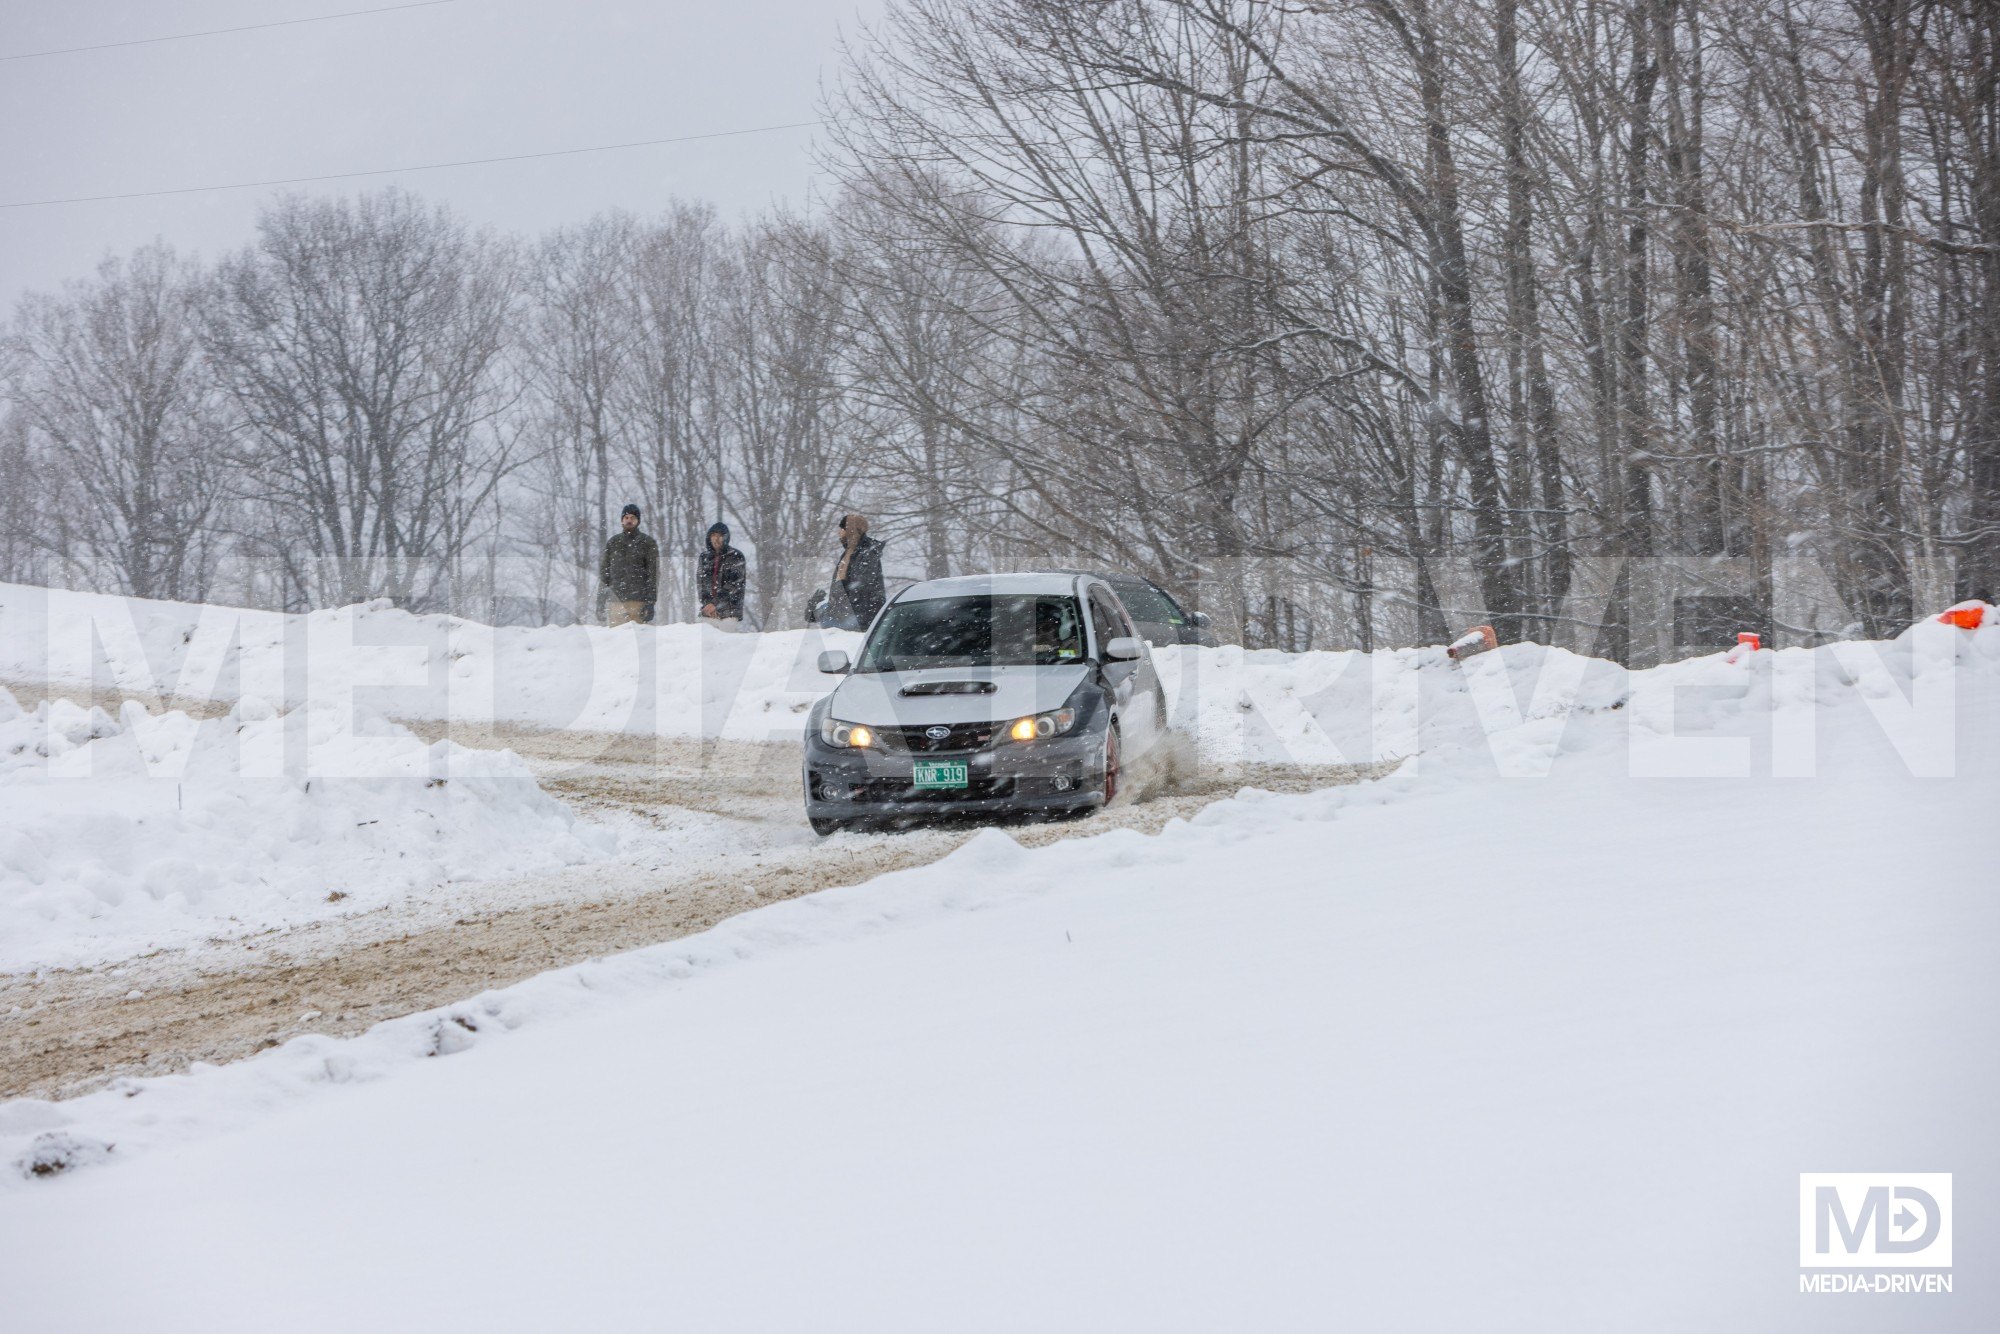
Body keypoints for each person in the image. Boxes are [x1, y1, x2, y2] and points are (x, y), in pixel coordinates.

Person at [598, 503, 659, 627]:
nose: (629, 520)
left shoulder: (647, 543)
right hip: (615, 602)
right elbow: (605, 574)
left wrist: (650, 602)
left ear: (638, 521)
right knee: (616, 637)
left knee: (637, 637)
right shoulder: (613, 543)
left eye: (632, 518)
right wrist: (600, 601)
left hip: (638, 602)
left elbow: (653, 574)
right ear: (622, 520)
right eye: (626, 518)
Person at [823, 513, 886, 631]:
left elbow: (862, 584)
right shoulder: (849, 552)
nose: (839, 532)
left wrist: (844, 606)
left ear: (850, 530)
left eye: (842, 528)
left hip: (861, 613)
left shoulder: (867, 552)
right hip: (848, 611)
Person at [697, 521, 747, 630]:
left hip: (729, 612)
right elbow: (701, 585)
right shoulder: (704, 557)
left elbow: (734, 585)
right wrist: (708, 605)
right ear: (709, 537)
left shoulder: (736, 556)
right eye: (713, 535)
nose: (716, 539)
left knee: (724, 639)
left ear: (726, 538)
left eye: (720, 536)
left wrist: (715, 604)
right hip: (708, 613)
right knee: (697, 636)